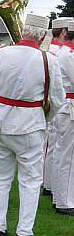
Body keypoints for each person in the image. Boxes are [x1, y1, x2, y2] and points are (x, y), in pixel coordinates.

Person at [0, 13, 65, 236]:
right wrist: (44, 119)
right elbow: (57, 100)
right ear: (42, 35)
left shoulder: (1, 54)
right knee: (30, 180)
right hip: (30, 127)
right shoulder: (49, 60)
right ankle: (24, 232)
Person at [42, 18, 71, 195]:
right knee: (58, 148)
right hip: (63, 102)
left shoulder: (53, 50)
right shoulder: (59, 52)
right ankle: (54, 188)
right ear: (63, 32)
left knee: (53, 146)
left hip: (57, 102)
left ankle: (49, 184)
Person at [49, 17, 74, 215]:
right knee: (67, 155)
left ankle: (59, 196)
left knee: (61, 153)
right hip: (69, 105)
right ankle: (65, 201)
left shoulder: (64, 53)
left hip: (65, 106)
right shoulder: (68, 55)